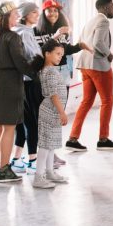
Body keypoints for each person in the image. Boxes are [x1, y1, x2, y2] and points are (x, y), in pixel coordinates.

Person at [33, 0, 92, 168]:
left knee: (58, 115)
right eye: (49, 11)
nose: (53, 14)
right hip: (48, 73)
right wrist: (56, 35)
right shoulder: (36, 30)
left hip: (63, 73)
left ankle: (51, 153)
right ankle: (43, 155)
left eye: (56, 11)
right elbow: (40, 51)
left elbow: (65, 50)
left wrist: (80, 46)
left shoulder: (63, 30)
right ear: (43, 13)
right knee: (48, 115)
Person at [0, 1, 34, 183]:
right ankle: (4, 169)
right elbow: (20, 63)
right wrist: (36, 73)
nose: (17, 17)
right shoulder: (13, 37)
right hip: (10, 82)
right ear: (7, 17)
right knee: (9, 127)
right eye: (14, 14)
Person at [66, 0, 113, 151]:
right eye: (112, 6)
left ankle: (73, 139)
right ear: (104, 8)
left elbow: (81, 41)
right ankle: (103, 139)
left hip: (84, 65)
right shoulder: (104, 21)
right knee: (107, 100)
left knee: (86, 101)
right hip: (98, 65)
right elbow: (98, 43)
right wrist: (108, 54)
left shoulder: (90, 21)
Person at [31, 40, 70, 189]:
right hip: (51, 110)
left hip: (53, 111)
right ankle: (38, 177)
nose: (60, 57)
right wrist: (62, 112)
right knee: (45, 145)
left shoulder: (49, 69)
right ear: (47, 53)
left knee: (51, 144)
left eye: (62, 54)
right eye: (57, 53)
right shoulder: (50, 71)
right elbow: (53, 94)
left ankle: (49, 172)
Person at [10, 1, 43, 175]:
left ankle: (16, 159)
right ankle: (32, 160)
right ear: (25, 14)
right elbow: (33, 56)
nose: (37, 15)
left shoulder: (21, 31)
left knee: (22, 122)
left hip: (21, 81)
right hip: (29, 81)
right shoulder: (24, 33)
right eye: (34, 12)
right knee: (31, 122)